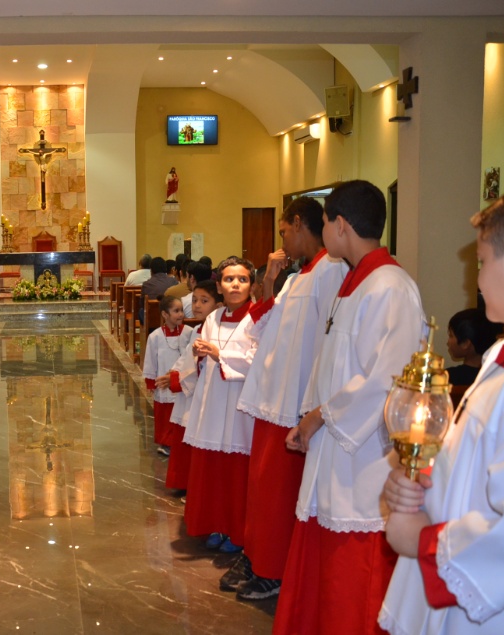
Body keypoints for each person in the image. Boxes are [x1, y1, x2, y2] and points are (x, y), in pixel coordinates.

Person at [379, 177, 504, 634]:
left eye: (482, 262)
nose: (477, 277)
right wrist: (424, 482)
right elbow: (485, 462)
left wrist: (422, 541)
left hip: (502, 611)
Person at [273, 180, 424, 635]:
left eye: (324, 223)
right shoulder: (355, 283)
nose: (323, 231)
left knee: (353, 584)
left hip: (363, 459)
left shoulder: (391, 287)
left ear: (340, 225)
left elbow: (387, 379)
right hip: (334, 449)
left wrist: (321, 416)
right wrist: (310, 415)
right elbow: (333, 365)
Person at [224, 197, 348, 601]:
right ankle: (258, 554)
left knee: (278, 492)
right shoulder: (299, 276)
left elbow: (325, 342)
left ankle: (272, 569)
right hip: (272, 394)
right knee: (262, 487)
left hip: (295, 399)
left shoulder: (330, 270)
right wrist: (271, 280)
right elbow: (262, 324)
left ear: (298, 223)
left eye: (283, 231)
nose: (282, 241)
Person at [183, 257, 258, 554]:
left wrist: (219, 355)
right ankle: (216, 524)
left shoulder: (259, 318)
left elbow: (259, 361)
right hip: (214, 403)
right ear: (219, 285)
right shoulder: (212, 319)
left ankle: (237, 531)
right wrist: (200, 353)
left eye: (242, 279)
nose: (236, 284)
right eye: (229, 279)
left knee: (238, 473)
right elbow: (203, 353)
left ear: (251, 284)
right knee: (215, 470)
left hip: (241, 405)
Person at [163, 279, 221, 491]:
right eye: (195, 300)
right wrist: (174, 372)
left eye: (204, 301)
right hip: (190, 388)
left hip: (200, 392)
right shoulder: (198, 328)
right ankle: (184, 482)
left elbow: (198, 362)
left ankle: (193, 486)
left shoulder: (215, 331)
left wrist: (178, 376)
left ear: (218, 305)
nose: (196, 305)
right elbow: (189, 357)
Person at [143, 295, 193, 456]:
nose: (181, 314)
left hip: (182, 381)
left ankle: (180, 441)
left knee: (181, 411)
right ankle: (166, 443)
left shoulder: (189, 333)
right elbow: (150, 359)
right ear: (165, 315)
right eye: (176, 311)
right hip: (163, 383)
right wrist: (151, 381)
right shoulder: (156, 336)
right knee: (165, 414)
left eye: (181, 311)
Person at [445, 307, 503, 387]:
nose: (448, 342)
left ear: (465, 343)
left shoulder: (447, 378)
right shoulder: (497, 376)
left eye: (451, 336)